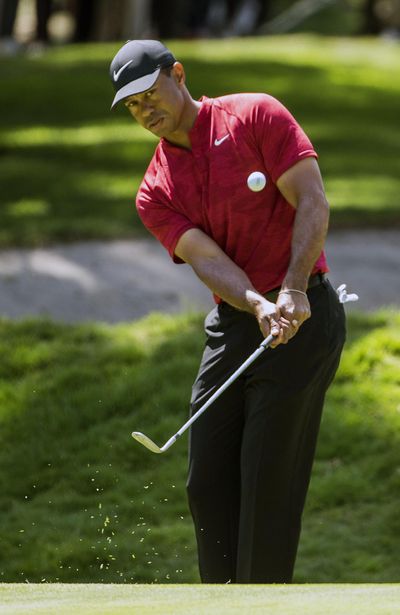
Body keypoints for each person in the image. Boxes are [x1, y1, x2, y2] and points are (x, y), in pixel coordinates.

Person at [109, 39, 346, 584]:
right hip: (239, 321)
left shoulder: (255, 114)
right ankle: (220, 601)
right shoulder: (155, 190)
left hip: (305, 313)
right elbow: (206, 258)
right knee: (207, 482)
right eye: (133, 107)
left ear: (179, 74)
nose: (146, 112)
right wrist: (258, 303)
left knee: (267, 486)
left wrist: (290, 290)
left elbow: (313, 200)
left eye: (149, 95)